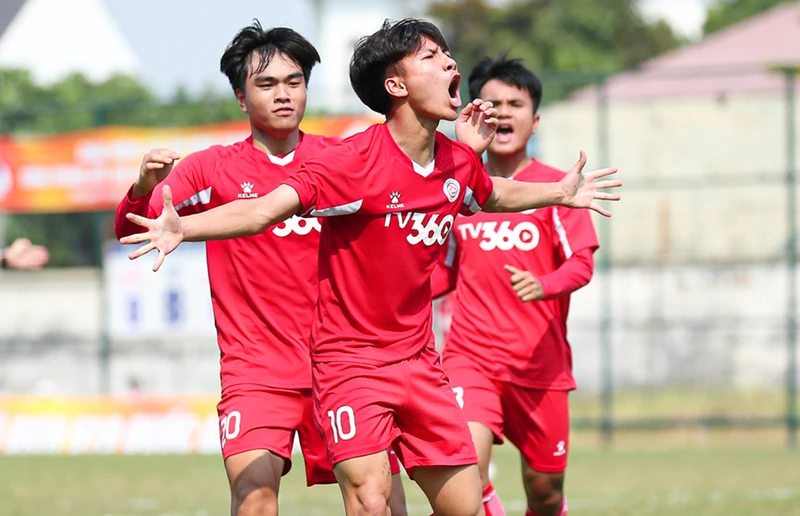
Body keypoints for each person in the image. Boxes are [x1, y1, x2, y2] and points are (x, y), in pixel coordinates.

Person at [120, 19, 621, 516]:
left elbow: (487, 194)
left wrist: (560, 192)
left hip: (413, 362)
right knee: (331, 498)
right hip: (322, 366)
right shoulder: (338, 162)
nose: (450, 63)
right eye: (431, 57)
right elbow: (257, 211)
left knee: (461, 505)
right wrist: (177, 221)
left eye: (295, 81)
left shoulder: (439, 160)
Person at [114, 22, 407, 516]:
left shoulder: (340, 160)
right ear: (240, 97)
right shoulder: (211, 168)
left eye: (294, 82)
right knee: (255, 499)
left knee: (375, 503)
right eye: (267, 84)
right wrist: (145, 187)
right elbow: (131, 229)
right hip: (257, 371)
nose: (284, 94)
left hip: (344, 366)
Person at [432, 54, 599, 516]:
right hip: (471, 359)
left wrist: (543, 285)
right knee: (468, 470)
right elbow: (442, 270)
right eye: (492, 102)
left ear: (535, 117)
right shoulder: (458, 187)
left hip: (539, 367)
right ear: (473, 113)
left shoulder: (556, 188)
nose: (503, 112)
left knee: (544, 494)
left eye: (515, 103)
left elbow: (582, 265)